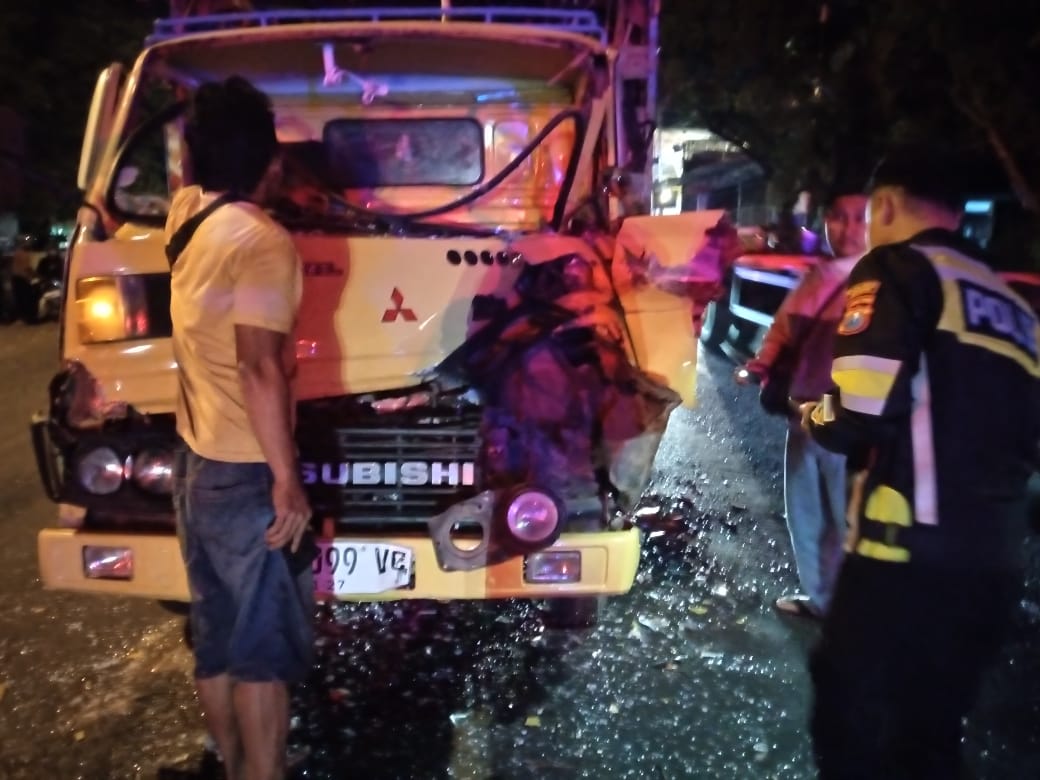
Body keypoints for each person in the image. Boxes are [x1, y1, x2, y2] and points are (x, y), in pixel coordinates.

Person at [801, 147, 1040, 779]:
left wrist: (813, 415)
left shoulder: (898, 269)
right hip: (994, 565)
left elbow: (861, 412)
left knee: (851, 726)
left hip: (902, 564)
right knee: (930, 740)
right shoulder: (1013, 302)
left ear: (883, 206)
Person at [168, 76, 313, 780]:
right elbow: (260, 368)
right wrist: (288, 482)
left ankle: (231, 765)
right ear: (271, 162)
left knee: (217, 635)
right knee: (263, 649)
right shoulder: (262, 243)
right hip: (244, 469)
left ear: (191, 165)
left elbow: (191, 167)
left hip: (193, 464)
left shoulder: (186, 221)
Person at [737, 188, 868, 618]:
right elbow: (782, 331)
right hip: (804, 412)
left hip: (848, 418)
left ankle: (854, 606)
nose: (848, 229)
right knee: (808, 513)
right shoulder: (817, 276)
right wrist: (760, 364)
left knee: (845, 515)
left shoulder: (881, 282)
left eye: (860, 218)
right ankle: (826, 599)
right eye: (839, 217)